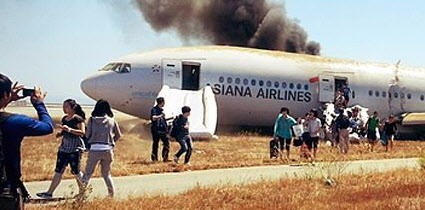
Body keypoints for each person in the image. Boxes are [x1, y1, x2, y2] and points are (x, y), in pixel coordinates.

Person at [0, 73, 54, 208]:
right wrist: (39, 104)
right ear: (6, 95)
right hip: (5, 191)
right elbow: (47, 127)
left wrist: (7, 98)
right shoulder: (14, 122)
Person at [37, 99, 86, 199]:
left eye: (66, 106)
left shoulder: (78, 119)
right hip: (64, 147)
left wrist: (69, 130)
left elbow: (82, 132)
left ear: (73, 108)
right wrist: (61, 133)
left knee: (76, 171)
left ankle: (83, 192)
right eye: (63, 106)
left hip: (75, 148)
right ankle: (49, 192)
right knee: (58, 170)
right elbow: (65, 131)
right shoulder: (64, 119)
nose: (64, 108)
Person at [81, 99, 122, 197]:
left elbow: (87, 135)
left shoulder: (91, 120)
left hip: (95, 149)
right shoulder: (112, 121)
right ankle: (111, 194)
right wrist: (112, 143)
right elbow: (118, 135)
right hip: (107, 149)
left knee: (88, 174)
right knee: (106, 174)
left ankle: (81, 194)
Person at [150, 97, 170, 162]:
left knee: (166, 143)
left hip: (163, 130)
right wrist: (161, 115)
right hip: (156, 130)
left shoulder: (162, 110)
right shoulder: (154, 109)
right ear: (162, 103)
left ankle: (165, 157)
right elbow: (153, 118)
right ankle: (154, 158)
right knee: (155, 144)